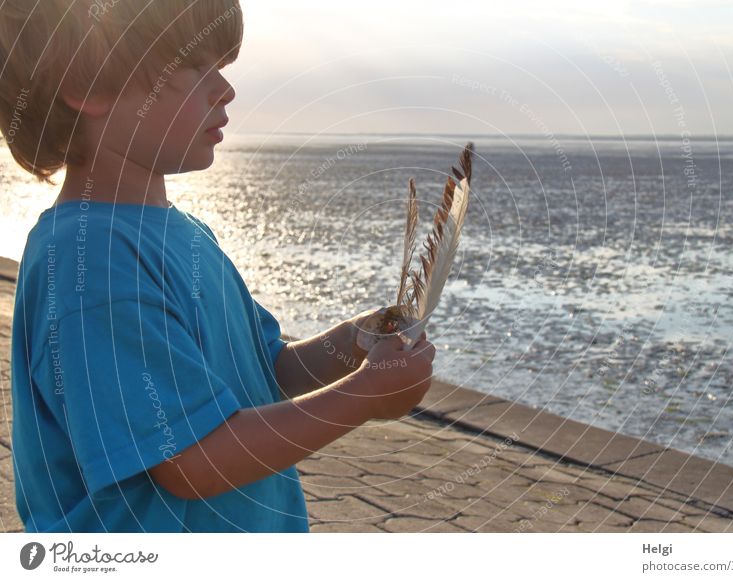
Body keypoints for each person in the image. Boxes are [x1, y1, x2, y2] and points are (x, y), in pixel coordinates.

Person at [0, 0, 435, 532]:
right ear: (88, 87)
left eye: (222, 67)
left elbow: (263, 370)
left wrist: (349, 344)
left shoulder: (183, 235)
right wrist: (362, 397)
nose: (224, 90)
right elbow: (191, 461)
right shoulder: (93, 260)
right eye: (191, 66)